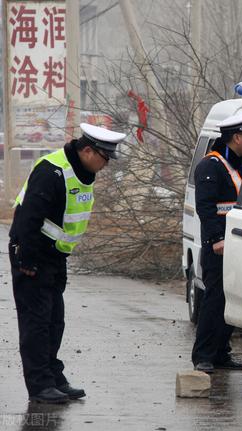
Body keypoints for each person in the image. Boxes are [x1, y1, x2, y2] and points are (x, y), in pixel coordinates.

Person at [9, 123, 126, 404]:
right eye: (104, 158)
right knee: (36, 323)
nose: (106, 165)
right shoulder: (52, 171)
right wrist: (26, 260)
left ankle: (53, 376)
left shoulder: (83, 171)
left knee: (54, 321)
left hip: (55, 256)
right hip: (33, 253)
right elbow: (28, 218)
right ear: (87, 150)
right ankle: (39, 385)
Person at [191, 111, 242, 373]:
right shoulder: (211, 165)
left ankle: (220, 352)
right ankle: (203, 356)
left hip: (239, 244)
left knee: (232, 299)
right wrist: (216, 238)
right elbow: (205, 208)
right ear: (236, 137)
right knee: (214, 299)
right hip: (218, 246)